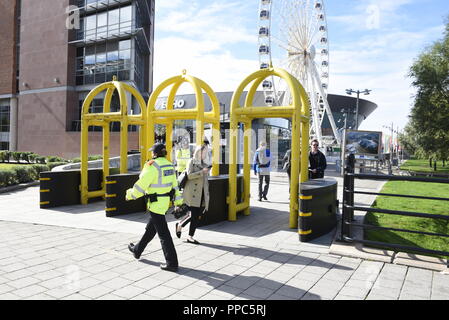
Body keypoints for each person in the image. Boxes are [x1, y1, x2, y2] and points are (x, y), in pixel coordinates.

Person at [125, 143, 183, 272]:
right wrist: (178, 203)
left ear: (155, 153)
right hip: (164, 202)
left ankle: (172, 263)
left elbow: (141, 185)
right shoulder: (169, 165)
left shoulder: (152, 165)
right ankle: (137, 250)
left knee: (164, 234)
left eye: (152, 152)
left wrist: (130, 195)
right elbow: (175, 186)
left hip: (155, 203)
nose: (152, 154)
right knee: (151, 229)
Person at [175, 139, 211, 244]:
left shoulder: (205, 163)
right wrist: (201, 172)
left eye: (206, 152)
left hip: (202, 193)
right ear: (199, 152)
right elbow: (189, 175)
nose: (205, 154)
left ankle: (180, 225)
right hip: (193, 193)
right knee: (194, 215)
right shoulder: (191, 161)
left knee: (196, 214)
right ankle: (190, 236)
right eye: (204, 152)